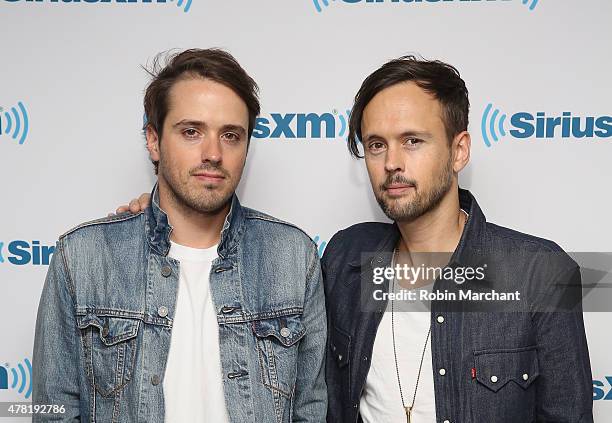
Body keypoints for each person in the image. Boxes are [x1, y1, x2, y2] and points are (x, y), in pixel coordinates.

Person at [117, 55, 593, 423]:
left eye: (413, 140)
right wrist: (157, 214)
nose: (391, 164)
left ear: (459, 150)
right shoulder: (347, 260)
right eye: (376, 145)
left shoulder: (537, 273)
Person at [32, 48, 327, 423]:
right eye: (191, 132)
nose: (213, 153)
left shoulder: (293, 257)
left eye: (231, 135)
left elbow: (311, 412)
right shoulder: (83, 258)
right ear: (153, 141)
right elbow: (53, 413)